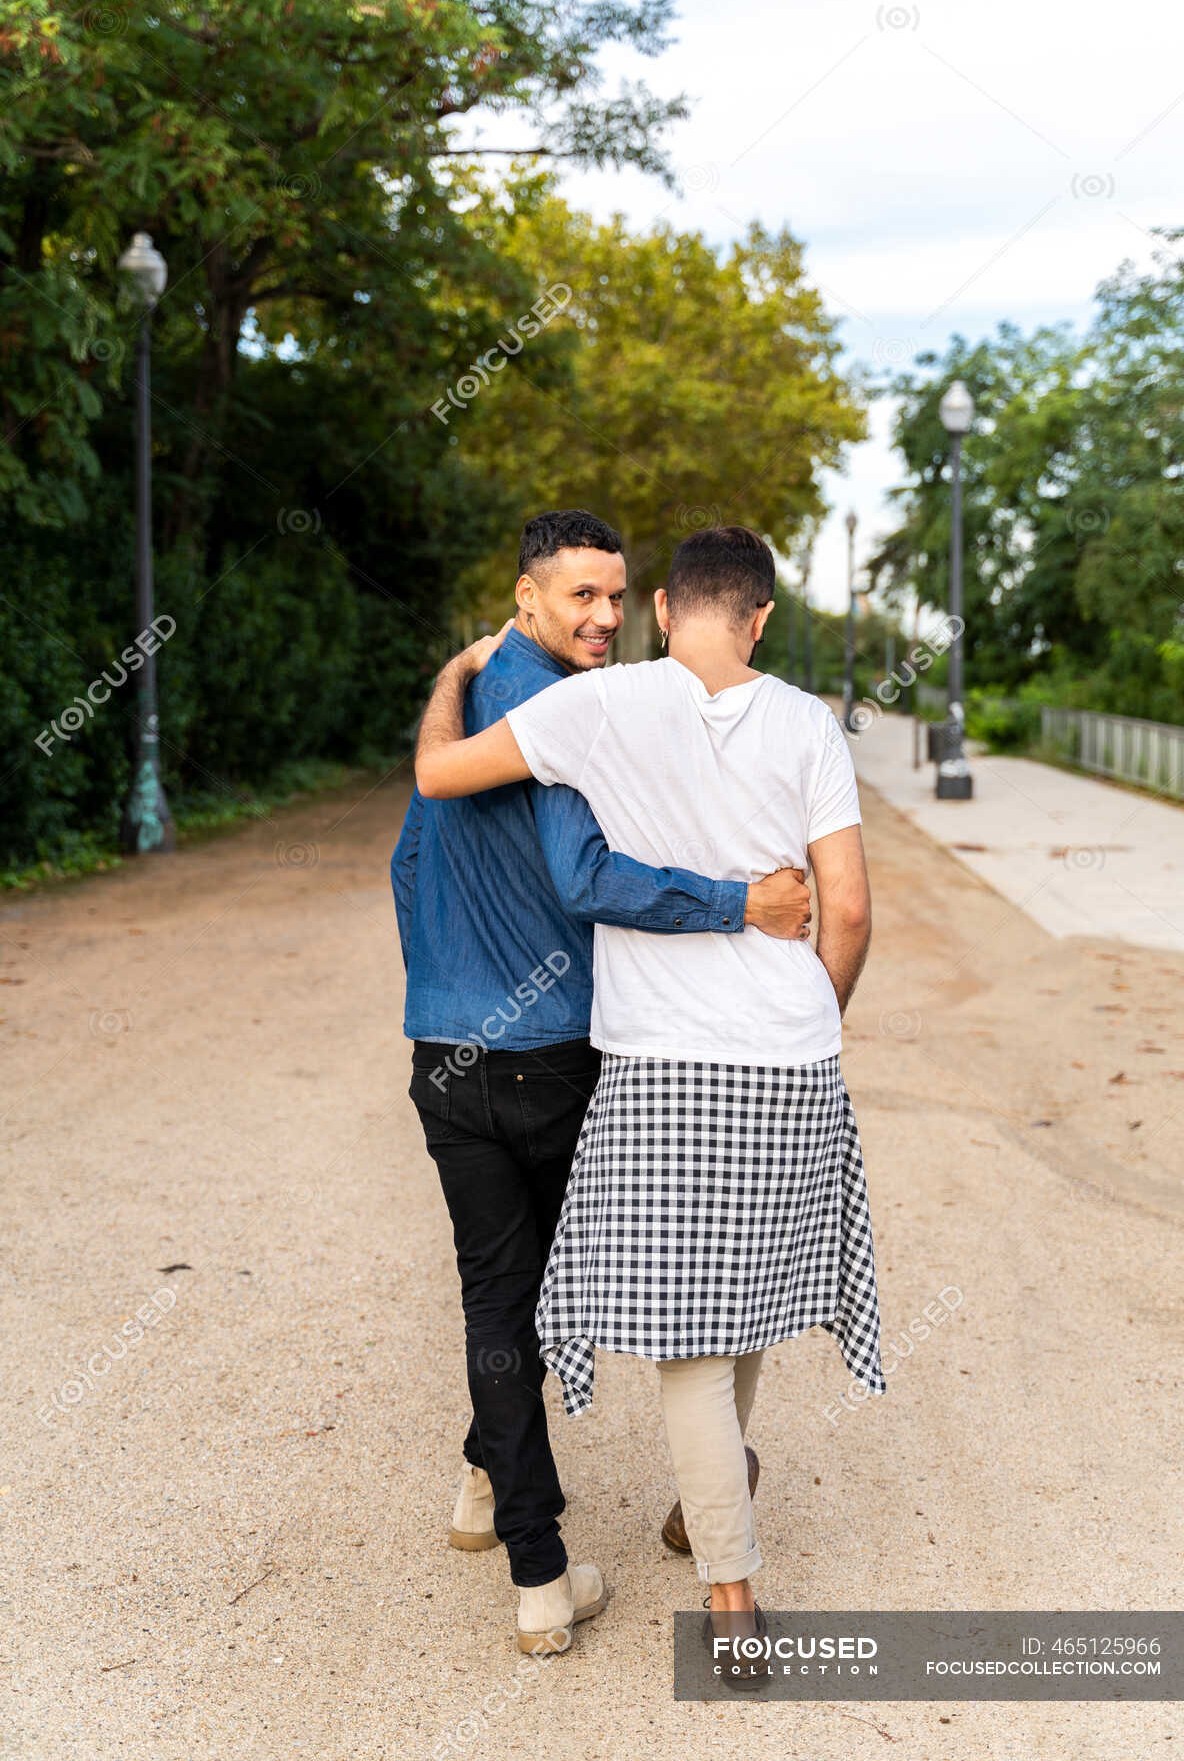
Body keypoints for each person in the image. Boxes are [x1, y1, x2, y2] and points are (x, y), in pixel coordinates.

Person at [415, 523, 886, 1679]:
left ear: (666, 609)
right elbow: (853, 912)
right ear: (763, 617)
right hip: (787, 1057)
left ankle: (731, 1593)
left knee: (686, 1338)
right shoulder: (810, 722)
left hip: (661, 1065)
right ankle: (709, 1506)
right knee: (753, 1299)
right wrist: (805, 1011)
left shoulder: (604, 706)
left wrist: (454, 678)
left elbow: (438, 777)